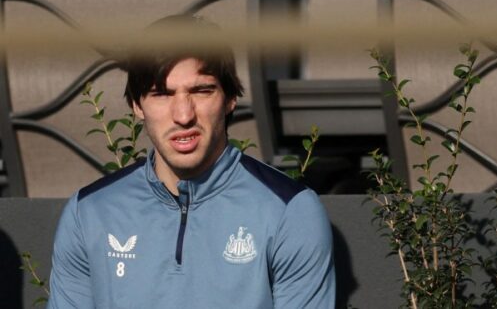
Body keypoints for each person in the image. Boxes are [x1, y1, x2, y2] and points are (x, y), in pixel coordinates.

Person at [47, 15, 336, 308]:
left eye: (201, 91)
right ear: (136, 105)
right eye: (162, 94)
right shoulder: (88, 213)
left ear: (230, 97)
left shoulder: (289, 212)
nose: (184, 115)